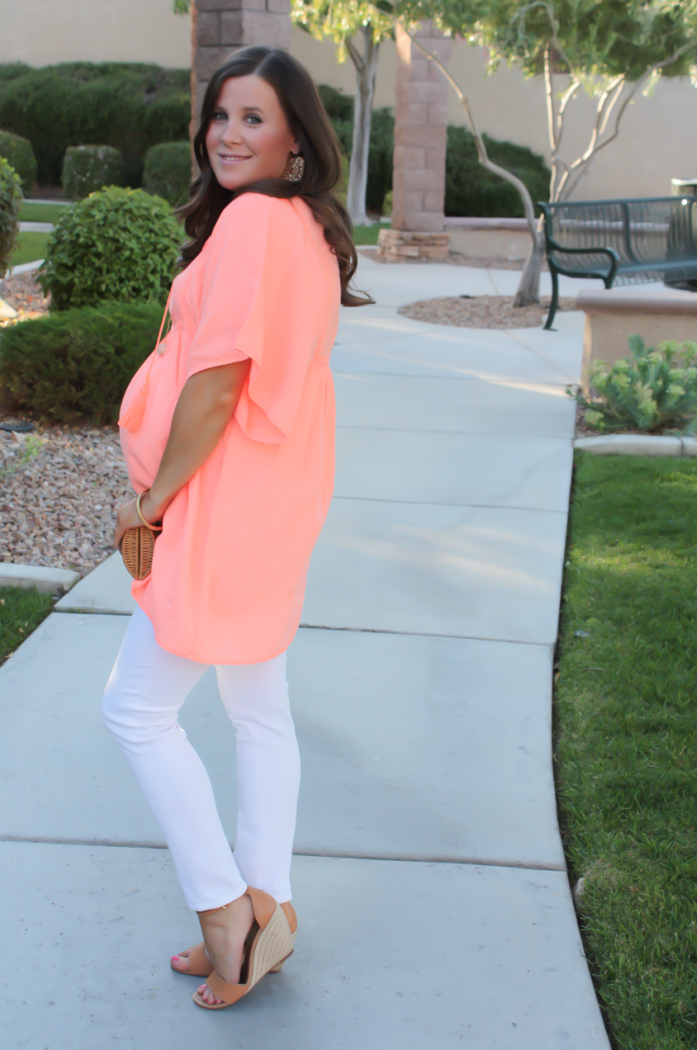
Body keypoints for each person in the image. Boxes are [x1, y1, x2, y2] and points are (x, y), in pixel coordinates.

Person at [101, 45, 370, 1011]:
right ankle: (267, 905)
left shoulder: (255, 220)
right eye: (220, 115)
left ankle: (225, 912)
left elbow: (217, 384)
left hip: (221, 499)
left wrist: (154, 500)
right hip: (272, 497)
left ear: (297, 138)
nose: (227, 133)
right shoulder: (298, 225)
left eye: (254, 117)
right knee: (258, 709)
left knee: (135, 708)